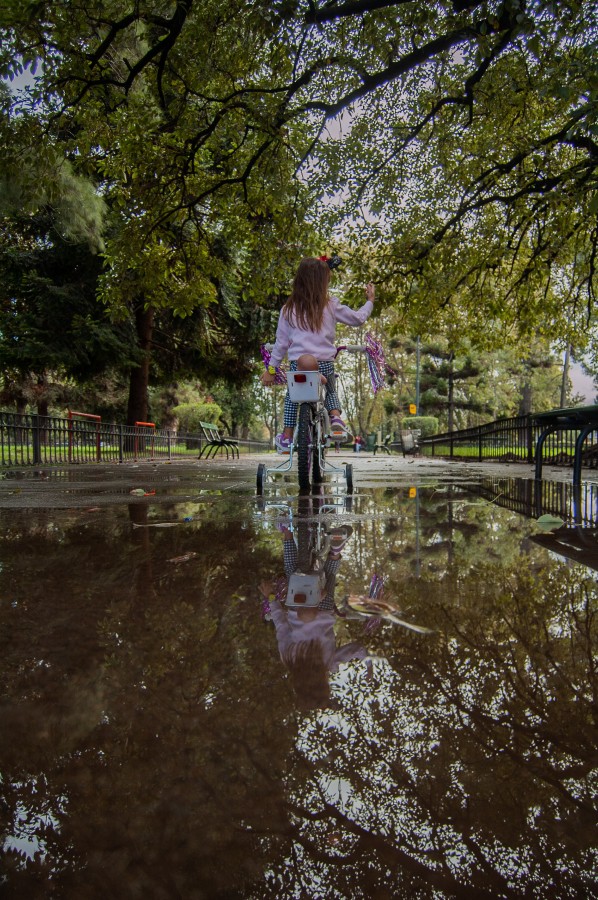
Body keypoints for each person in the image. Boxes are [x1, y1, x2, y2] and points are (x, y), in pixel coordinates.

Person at [261, 257, 375, 453]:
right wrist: (370, 300)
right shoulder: (330, 305)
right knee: (330, 389)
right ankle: (336, 417)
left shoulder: (288, 309)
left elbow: (281, 344)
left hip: (298, 366)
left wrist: (271, 369)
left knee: (292, 396)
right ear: (323, 282)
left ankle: (287, 437)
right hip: (325, 364)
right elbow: (358, 319)